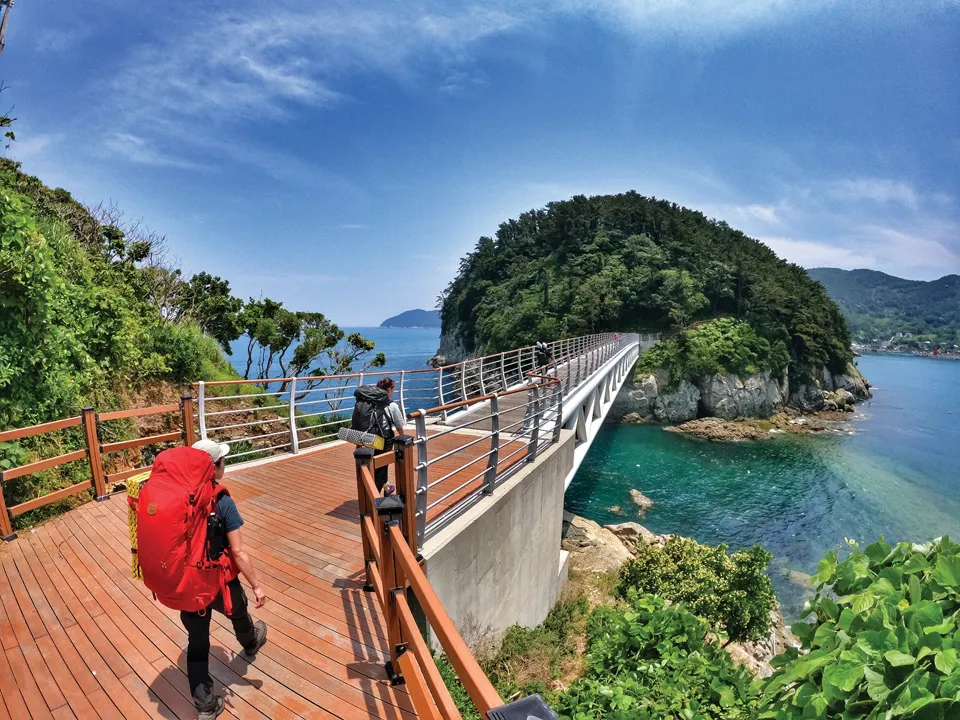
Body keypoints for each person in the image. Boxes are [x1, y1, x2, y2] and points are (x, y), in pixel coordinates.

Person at [183, 440, 268, 719]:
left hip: (188, 582)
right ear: (213, 467)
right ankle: (250, 642)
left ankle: (205, 706)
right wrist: (256, 584)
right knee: (239, 607)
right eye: (221, 461)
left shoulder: (180, 496)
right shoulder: (221, 501)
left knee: (197, 644)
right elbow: (238, 551)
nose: (224, 464)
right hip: (217, 579)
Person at [351, 378, 405, 494]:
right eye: (393, 389)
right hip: (384, 439)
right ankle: (373, 496)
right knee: (381, 467)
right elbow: (399, 425)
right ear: (389, 389)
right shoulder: (392, 405)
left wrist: (358, 443)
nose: (393, 392)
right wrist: (403, 437)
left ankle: (386, 487)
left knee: (372, 466)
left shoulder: (367, 403)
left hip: (367, 439)